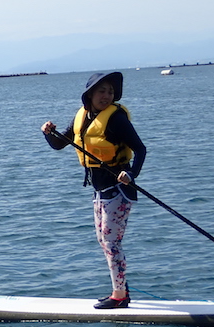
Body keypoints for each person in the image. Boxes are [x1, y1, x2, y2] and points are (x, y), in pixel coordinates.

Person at [41, 72, 146, 309]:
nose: (106, 96)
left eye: (110, 91)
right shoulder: (84, 117)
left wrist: (131, 174)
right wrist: (47, 133)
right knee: (104, 241)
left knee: (111, 242)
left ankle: (119, 296)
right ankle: (121, 290)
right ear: (89, 94)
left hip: (119, 189)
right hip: (99, 191)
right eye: (102, 91)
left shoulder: (116, 118)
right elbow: (59, 144)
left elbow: (140, 149)